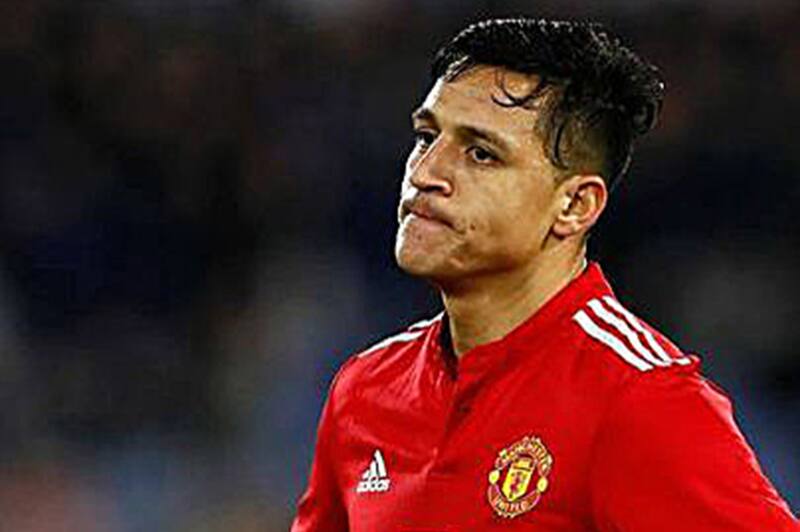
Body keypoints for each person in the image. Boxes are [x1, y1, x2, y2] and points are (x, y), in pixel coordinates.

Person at [291, 17, 798, 531]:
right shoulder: (365, 390)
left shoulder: (638, 400)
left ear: (575, 205)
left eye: (481, 154)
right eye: (426, 137)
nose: (425, 174)